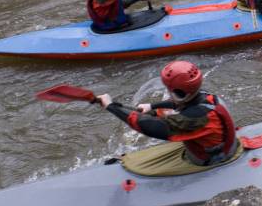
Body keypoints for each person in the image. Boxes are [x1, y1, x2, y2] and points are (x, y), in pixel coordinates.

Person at [97, 60, 239, 166]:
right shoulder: (204, 96)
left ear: (179, 93)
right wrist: (151, 106)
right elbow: (180, 104)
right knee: (159, 114)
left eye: (169, 89)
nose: (167, 92)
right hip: (224, 145)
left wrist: (110, 106)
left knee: (156, 121)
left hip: (212, 159)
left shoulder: (196, 117)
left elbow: (150, 127)